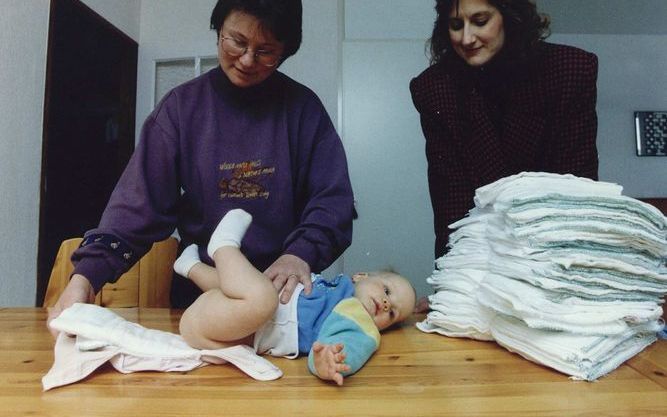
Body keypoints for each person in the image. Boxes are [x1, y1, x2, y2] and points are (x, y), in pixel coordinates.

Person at [47, 0, 354, 332]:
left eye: (266, 51)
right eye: (237, 41)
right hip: (202, 295)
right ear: (219, 28)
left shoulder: (303, 110)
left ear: (286, 50)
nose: (248, 60)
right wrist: (86, 278)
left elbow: (332, 201)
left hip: (285, 293)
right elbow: (137, 207)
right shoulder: (181, 109)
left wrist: (301, 253)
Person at [410, 0, 599, 261]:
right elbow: (450, 204)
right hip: (481, 256)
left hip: (558, 249)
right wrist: (451, 281)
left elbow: (578, 188)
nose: (466, 38)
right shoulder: (435, 88)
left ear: (510, 17)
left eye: (480, 21)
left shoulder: (570, 70)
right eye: (455, 25)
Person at [177, 209, 416, 386]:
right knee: (250, 284)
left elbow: (351, 349)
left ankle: (223, 248)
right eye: (387, 290)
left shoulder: (360, 324)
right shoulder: (338, 287)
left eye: (393, 313)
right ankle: (191, 267)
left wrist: (327, 361)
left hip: (225, 331)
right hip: (218, 315)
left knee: (263, 297)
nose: (386, 304)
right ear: (361, 276)